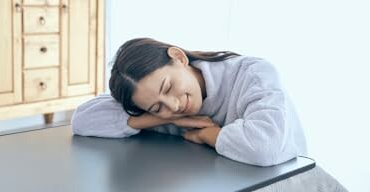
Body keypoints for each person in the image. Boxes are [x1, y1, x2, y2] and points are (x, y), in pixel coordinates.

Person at [71, 37, 307, 167]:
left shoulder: (253, 73)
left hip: (284, 179)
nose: (172, 106)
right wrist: (151, 118)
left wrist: (209, 134)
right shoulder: (154, 104)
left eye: (168, 87)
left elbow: (265, 148)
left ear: (179, 57)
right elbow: (82, 120)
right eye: (156, 107)